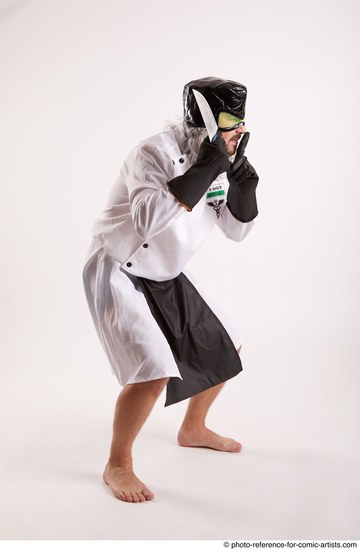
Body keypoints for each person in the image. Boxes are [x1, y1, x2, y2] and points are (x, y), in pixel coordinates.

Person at [82, 76, 259, 503]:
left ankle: (192, 428)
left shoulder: (216, 160)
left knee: (228, 344)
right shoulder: (152, 153)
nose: (239, 131)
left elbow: (235, 233)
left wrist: (244, 191)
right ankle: (117, 464)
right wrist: (205, 169)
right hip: (119, 267)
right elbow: (146, 221)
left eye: (242, 121)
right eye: (229, 122)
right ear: (204, 119)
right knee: (153, 370)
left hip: (166, 270)